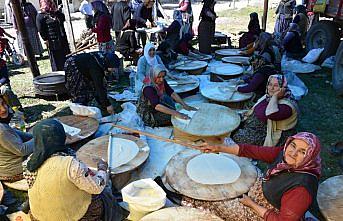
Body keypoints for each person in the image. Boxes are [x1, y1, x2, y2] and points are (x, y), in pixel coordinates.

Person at [187, 132, 321, 221]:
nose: (293, 152)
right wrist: (218, 148)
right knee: (231, 151)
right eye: (293, 145)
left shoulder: (301, 190)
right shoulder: (284, 154)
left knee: (207, 199)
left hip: (266, 213)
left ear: (310, 157)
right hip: (264, 191)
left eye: (302, 152)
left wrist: (252, 204)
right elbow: (252, 151)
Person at [23, 119, 125, 221]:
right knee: (102, 194)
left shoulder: (29, 162)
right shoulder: (70, 164)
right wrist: (102, 169)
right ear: (62, 137)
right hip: (67, 217)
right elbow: (96, 187)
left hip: (38, 217)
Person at [233, 75, 298, 147]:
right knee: (233, 123)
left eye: (276, 86)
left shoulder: (287, 107)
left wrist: (275, 96)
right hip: (253, 125)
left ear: (283, 88)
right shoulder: (267, 97)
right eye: (270, 84)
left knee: (235, 136)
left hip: (265, 133)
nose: (272, 88)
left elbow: (271, 114)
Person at [0, 96, 33, 182]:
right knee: (48, 152)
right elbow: (22, 150)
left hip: (9, 167)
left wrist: (38, 134)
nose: (3, 109)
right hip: (13, 172)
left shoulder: (3, 126)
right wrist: (43, 138)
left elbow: (24, 135)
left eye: (3, 104)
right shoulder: (2, 130)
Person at [36, 0, 71, 71]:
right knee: (57, 60)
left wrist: (56, 10)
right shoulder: (41, 16)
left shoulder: (56, 14)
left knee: (66, 57)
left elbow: (62, 18)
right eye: (47, 3)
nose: (49, 4)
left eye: (50, 3)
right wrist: (45, 39)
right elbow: (41, 30)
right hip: (53, 41)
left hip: (62, 40)